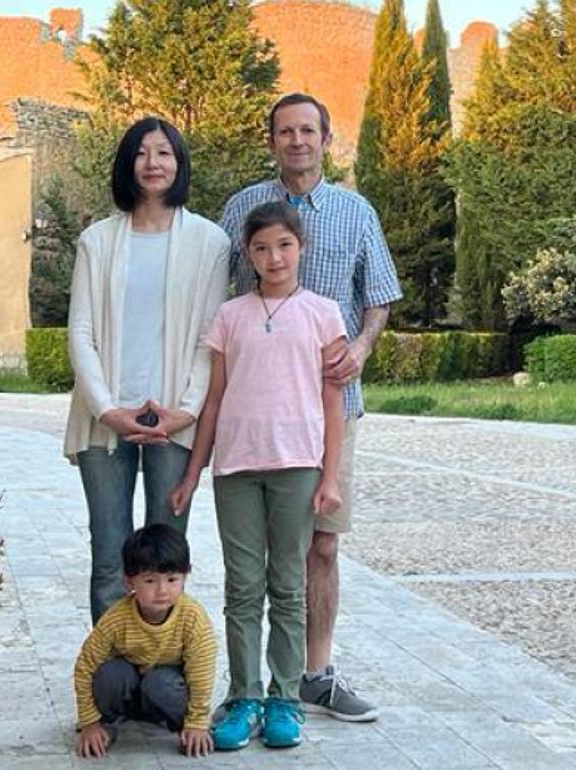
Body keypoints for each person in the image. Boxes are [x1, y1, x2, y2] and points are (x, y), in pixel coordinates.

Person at [219, 94, 401, 721]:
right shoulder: (242, 209)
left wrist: (362, 346)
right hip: (257, 414)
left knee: (321, 546)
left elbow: (378, 296)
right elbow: (214, 298)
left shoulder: (356, 211)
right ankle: (251, 688)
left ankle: (313, 675)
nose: (296, 140)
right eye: (284, 131)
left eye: (307, 130)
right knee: (253, 560)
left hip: (331, 405)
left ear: (327, 138)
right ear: (270, 140)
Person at [170, 202, 346, 751]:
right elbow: (214, 400)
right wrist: (193, 473)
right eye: (263, 248)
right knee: (242, 588)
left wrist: (330, 476)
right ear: (249, 254)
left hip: (297, 467)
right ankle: (244, 695)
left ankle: (284, 699)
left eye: (284, 246)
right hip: (237, 470)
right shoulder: (230, 316)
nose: (274, 257)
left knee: (288, 586)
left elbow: (333, 402)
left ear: (302, 248)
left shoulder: (323, 313)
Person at [65, 117, 231, 625]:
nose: (153, 163)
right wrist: (108, 410)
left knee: (166, 559)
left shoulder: (209, 242)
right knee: (110, 559)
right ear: (127, 164)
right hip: (105, 421)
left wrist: (186, 410)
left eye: (164, 153)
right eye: (141, 152)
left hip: (174, 422)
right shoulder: (98, 240)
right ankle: (114, 680)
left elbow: (211, 336)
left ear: (178, 164)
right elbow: (81, 334)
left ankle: (163, 680)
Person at [72, 524, 217, 759]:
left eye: (172, 580)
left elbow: (201, 672)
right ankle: (108, 723)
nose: (162, 590)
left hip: (166, 685)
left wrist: (197, 723)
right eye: (150, 581)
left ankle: (177, 726)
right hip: (131, 685)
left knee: (161, 684)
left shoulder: (193, 618)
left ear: (185, 577)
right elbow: (85, 667)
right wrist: (89, 722)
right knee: (109, 674)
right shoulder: (116, 619)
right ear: (129, 583)